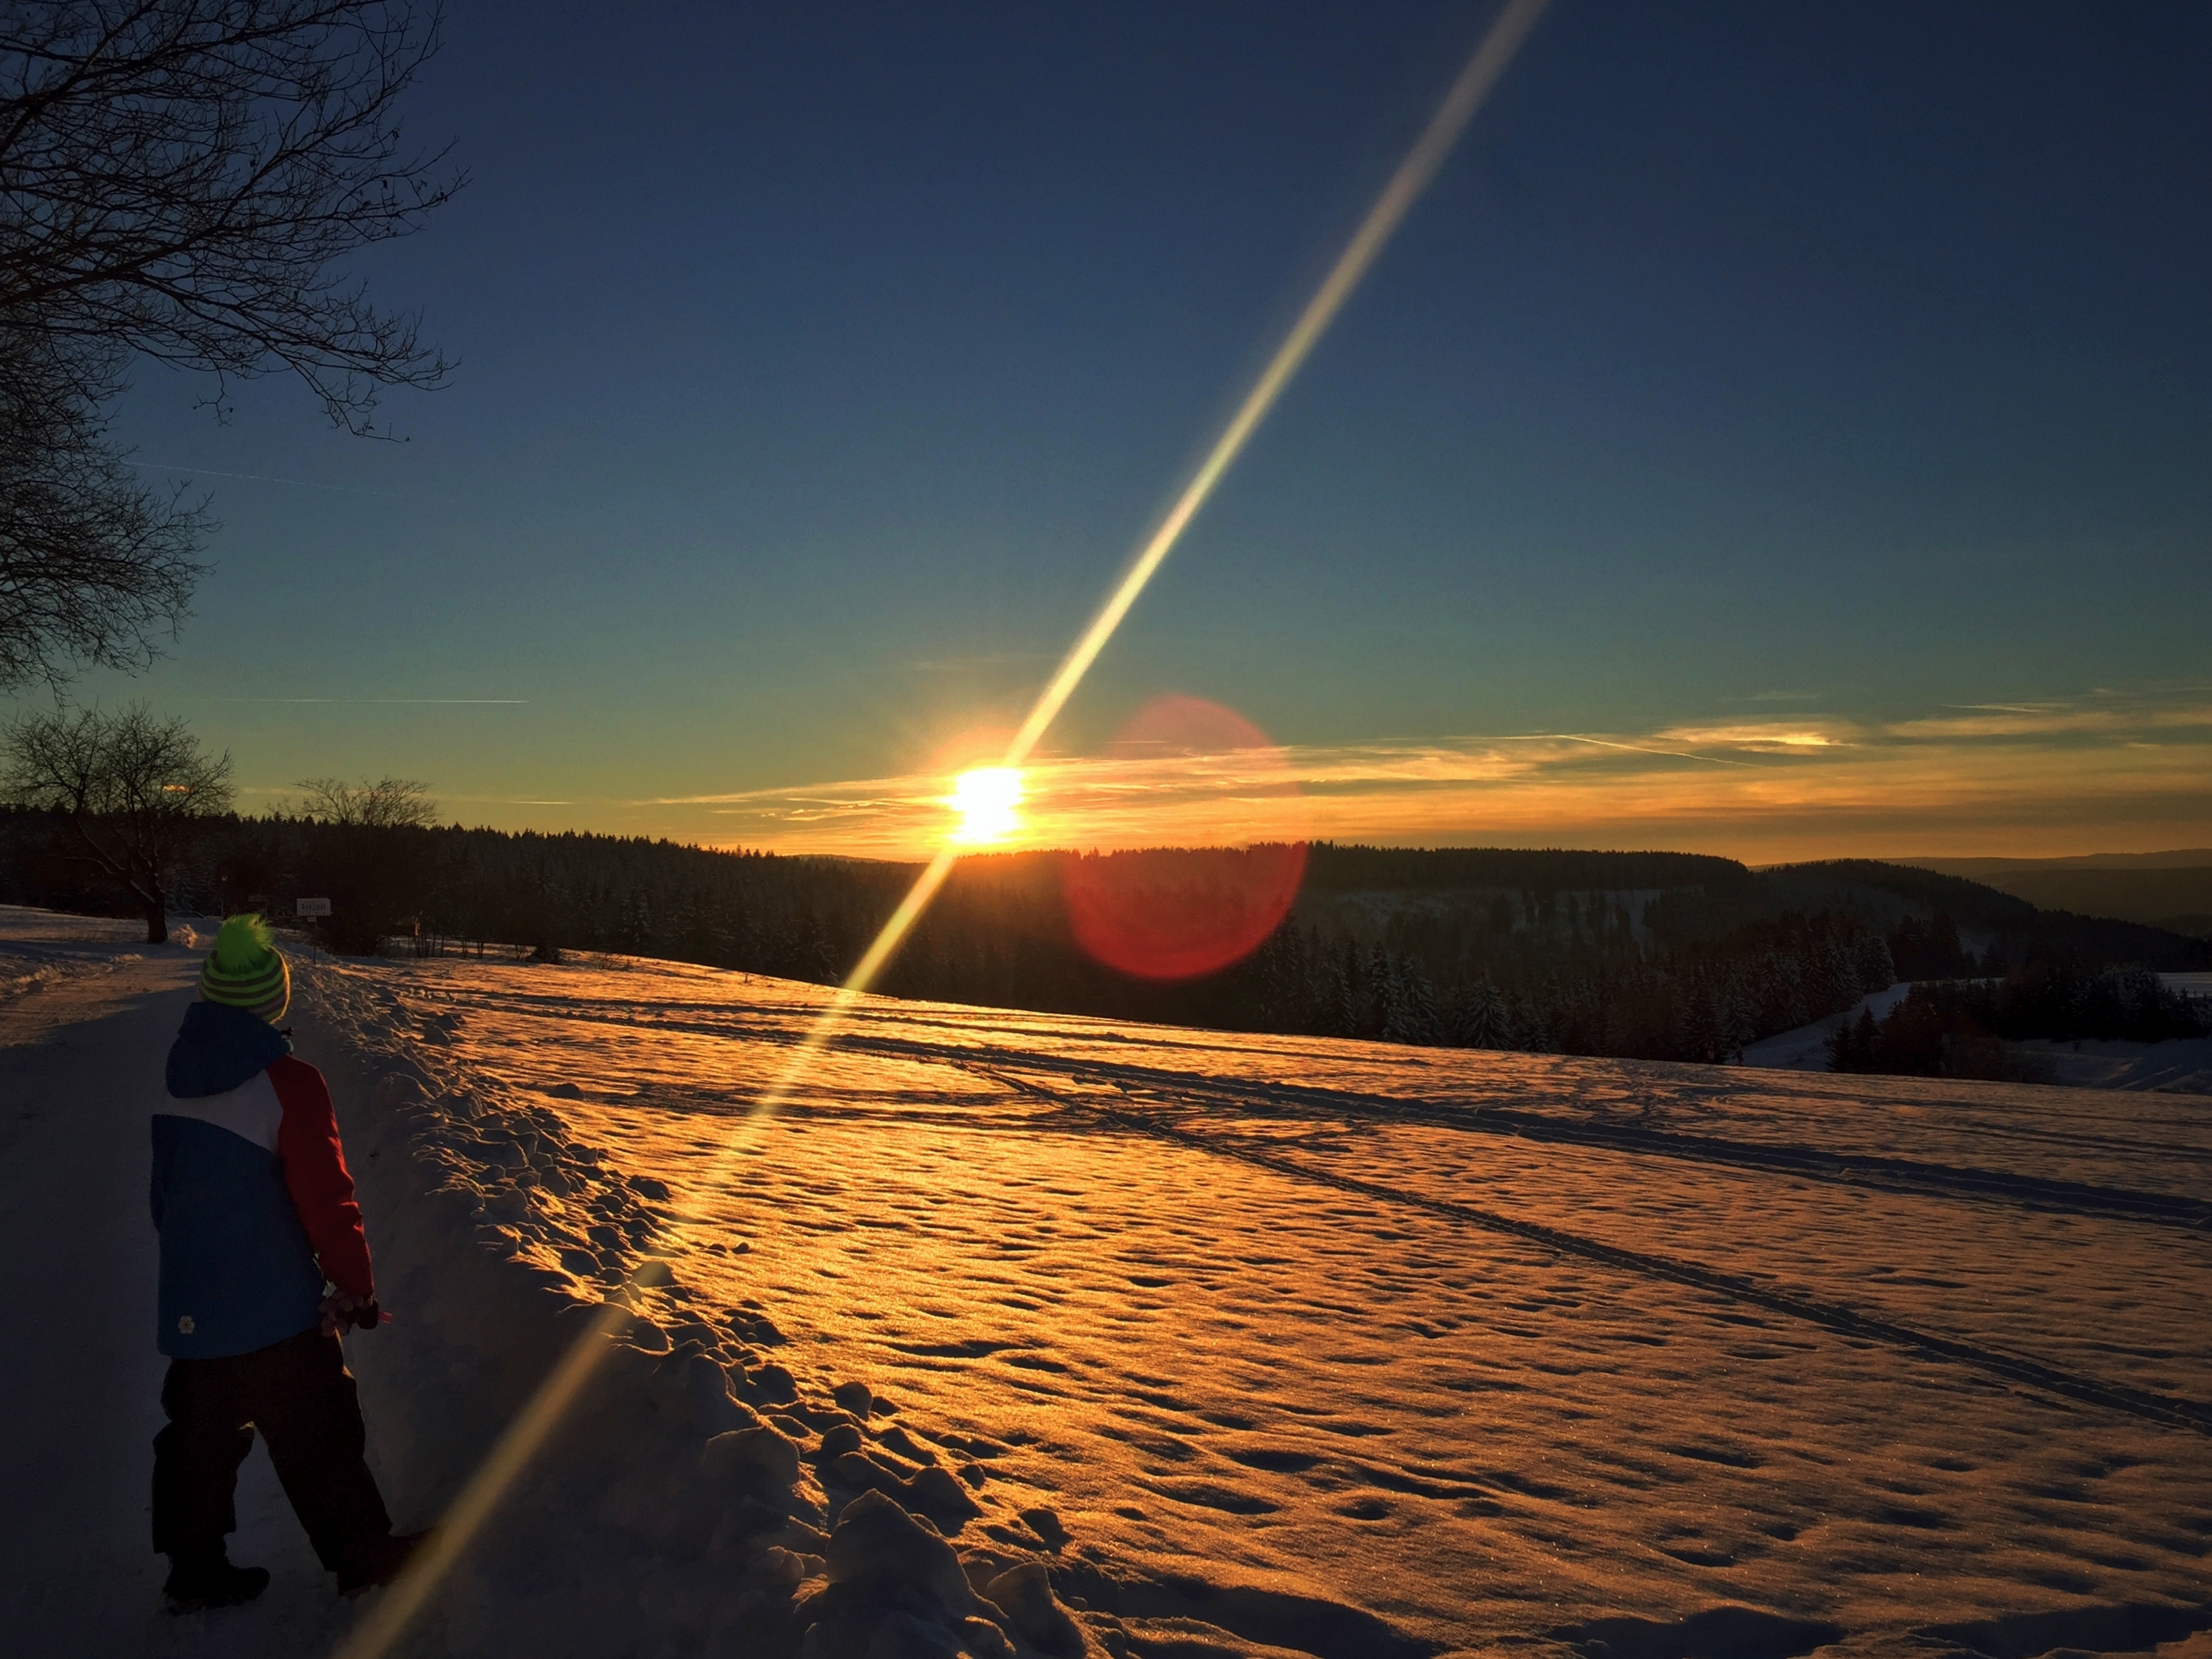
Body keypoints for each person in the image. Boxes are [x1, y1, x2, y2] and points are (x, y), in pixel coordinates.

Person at [150, 913, 421, 1611]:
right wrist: (355, 1283)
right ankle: (364, 1557)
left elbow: (165, 1196)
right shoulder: (289, 1083)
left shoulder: (177, 1075)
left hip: (192, 1299)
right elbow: (327, 1197)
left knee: (199, 1437)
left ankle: (194, 1566)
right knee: (317, 1431)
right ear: (275, 1003)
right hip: (272, 1305)